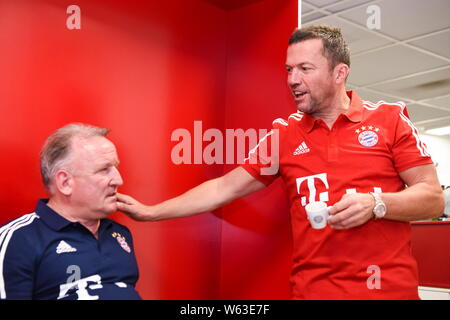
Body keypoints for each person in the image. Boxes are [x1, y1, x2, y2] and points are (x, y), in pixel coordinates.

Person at [116, 25, 445, 299]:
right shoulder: (283, 134)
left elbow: (432, 198)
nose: (292, 79)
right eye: (289, 69)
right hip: (311, 294)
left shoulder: (390, 119)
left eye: (305, 69)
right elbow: (223, 188)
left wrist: (377, 204)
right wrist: (150, 212)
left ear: (339, 73)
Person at [0, 123, 141, 300]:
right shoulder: (18, 239)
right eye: (104, 170)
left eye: (115, 168)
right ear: (65, 182)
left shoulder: (119, 234)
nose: (118, 180)